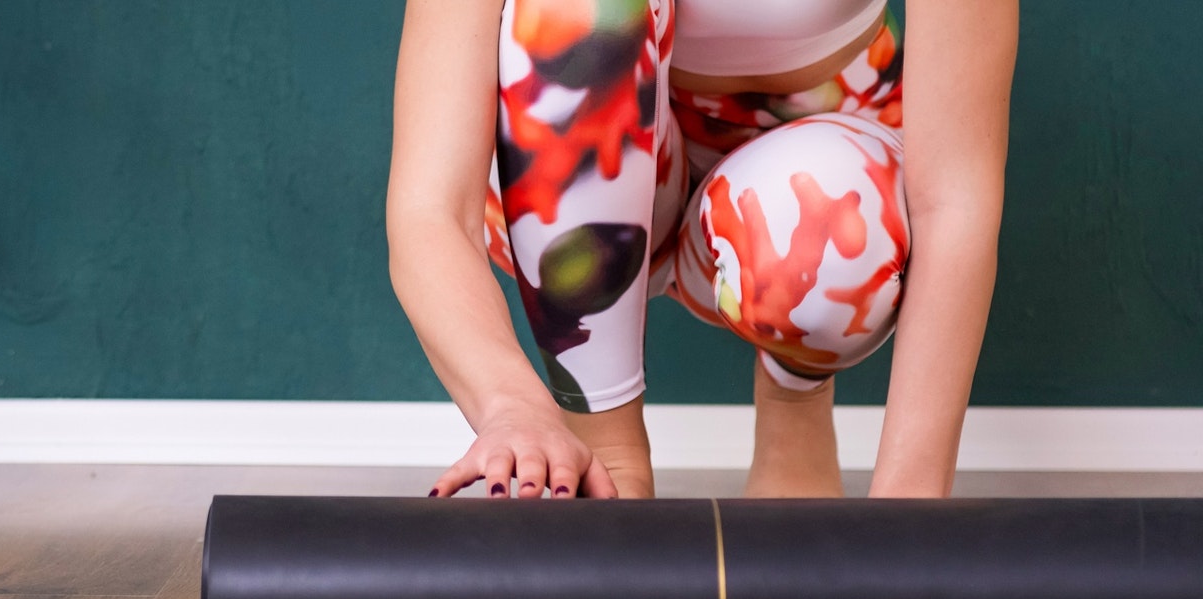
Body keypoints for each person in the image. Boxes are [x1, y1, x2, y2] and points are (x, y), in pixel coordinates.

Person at [387, 0, 1018, 500]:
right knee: (577, 9)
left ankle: (793, 387)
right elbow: (432, 210)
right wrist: (513, 407)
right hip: (572, 193)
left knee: (832, 233)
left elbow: (954, 206)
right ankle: (609, 455)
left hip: (809, 187)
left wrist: (907, 513)